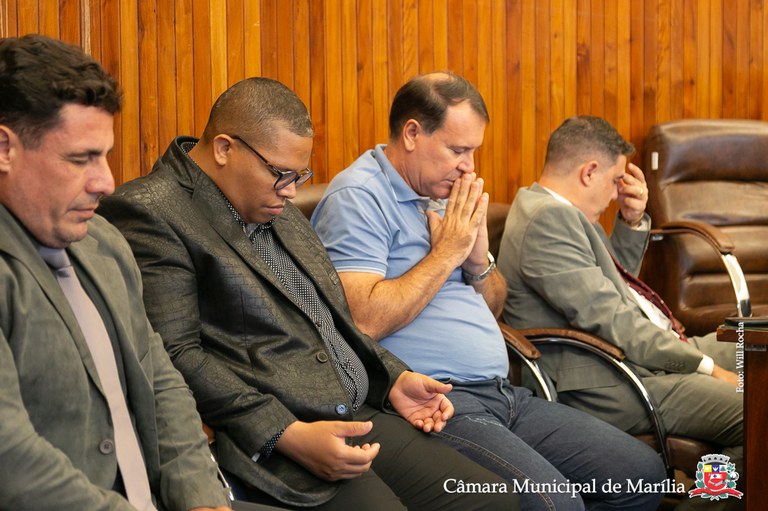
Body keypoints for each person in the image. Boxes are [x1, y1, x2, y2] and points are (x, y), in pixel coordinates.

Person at [98, 76, 519, 510]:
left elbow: (330, 317)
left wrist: (392, 377)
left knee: (493, 500)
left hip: (357, 408)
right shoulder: (152, 212)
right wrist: (284, 433)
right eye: (281, 174)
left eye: (299, 175)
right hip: (287, 432)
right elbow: (176, 355)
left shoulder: (270, 198)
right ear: (224, 149)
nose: (292, 190)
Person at [311, 72, 665, 511]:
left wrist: (478, 263)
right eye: (458, 150)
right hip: (436, 402)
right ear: (412, 134)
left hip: (503, 393)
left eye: (474, 151)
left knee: (643, 475)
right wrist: (447, 254)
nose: (469, 167)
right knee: (556, 504)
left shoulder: (443, 192)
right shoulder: (359, 197)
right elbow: (362, 321)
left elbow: (494, 306)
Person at [0, 34, 233, 510]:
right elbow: (13, 461)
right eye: (80, 159)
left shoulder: (103, 241)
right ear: (5, 148)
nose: (106, 182)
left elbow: (161, 381)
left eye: (104, 155)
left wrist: (202, 498)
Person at [496, 116, 742, 478]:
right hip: (611, 381)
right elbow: (612, 319)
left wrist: (631, 220)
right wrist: (707, 368)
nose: (615, 194)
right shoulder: (547, 220)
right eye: (615, 181)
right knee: (756, 411)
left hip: (636, 357)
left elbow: (615, 287)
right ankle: (707, 502)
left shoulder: (559, 211)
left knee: (753, 350)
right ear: (589, 172)